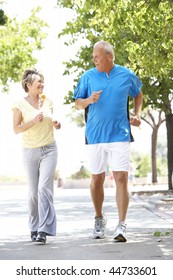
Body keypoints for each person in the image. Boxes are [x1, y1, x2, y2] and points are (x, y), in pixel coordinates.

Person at [73, 40, 143, 242]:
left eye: (97, 56)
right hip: (94, 136)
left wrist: (137, 115)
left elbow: (138, 94)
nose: (94, 59)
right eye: (93, 56)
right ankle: (99, 218)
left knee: (121, 177)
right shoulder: (88, 77)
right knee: (97, 180)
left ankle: (121, 225)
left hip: (119, 134)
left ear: (109, 57)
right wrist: (88, 101)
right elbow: (78, 103)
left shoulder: (126, 75)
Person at [12, 68, 61, 244]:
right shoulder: (20, 103)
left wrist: (56, 124)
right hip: (30, 150)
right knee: (33, 193)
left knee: (44, 189)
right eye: (39, 82)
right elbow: (16, 129)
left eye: (43, 81)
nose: (42, 84)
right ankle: (34, 225)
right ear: (29, 85)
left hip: (49, 148)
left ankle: (44, 229)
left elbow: (52, 120)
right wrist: (32, 121)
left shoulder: (48, 101)